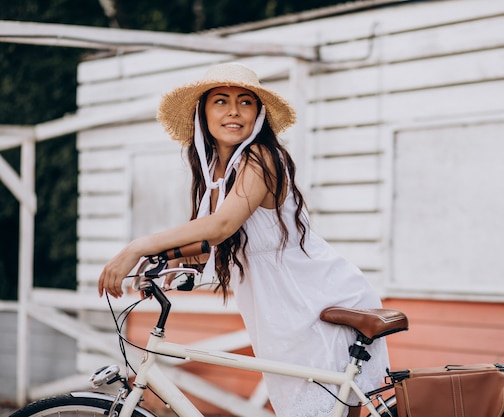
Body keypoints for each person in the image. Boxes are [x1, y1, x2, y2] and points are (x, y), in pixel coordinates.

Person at [98, 62, 389, 417]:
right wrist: (161, 263)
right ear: (202, 114)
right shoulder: (217, 174)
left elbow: (221, 226)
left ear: (259, 114)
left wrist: (137, 247)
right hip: (282, 307)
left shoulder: (261, 158)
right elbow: (206, 244)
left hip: (314, 299)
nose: (234, 111)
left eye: (245, 102)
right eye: (220, 101)